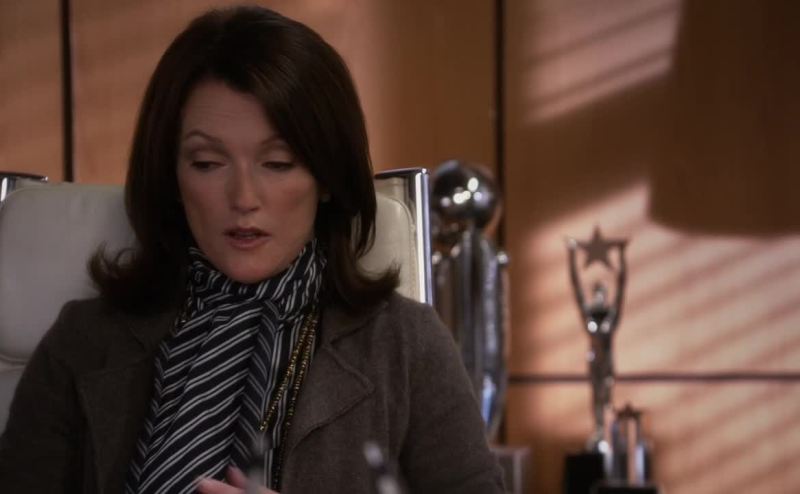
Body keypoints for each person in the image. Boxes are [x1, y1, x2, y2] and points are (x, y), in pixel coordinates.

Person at [0, 6, 503, 494]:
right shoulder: (84, 340)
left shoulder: (407, 346)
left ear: (327, 176)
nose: (243, 198)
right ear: (172, 176)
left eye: (278, 163)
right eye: (207, 163)